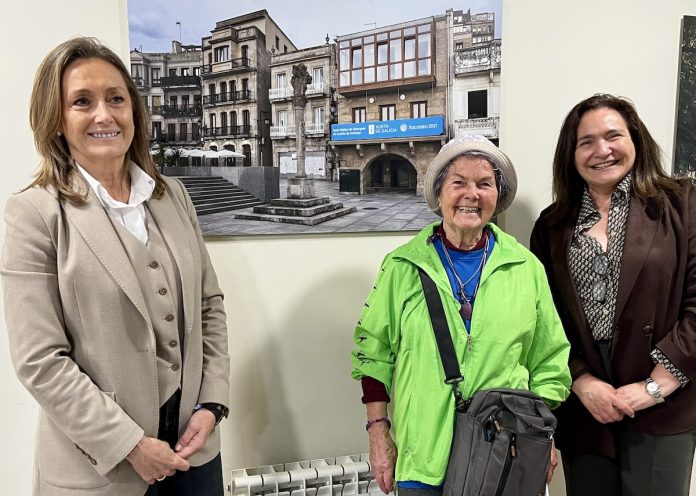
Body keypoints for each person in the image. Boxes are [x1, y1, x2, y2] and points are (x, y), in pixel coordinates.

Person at [1, 37, 230, 496]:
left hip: (195, 454)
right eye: (82, 102)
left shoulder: (173, 196)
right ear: (56, 118)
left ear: (134, 111)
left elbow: (210, 306)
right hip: (102, 470)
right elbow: (40, 360)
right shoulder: (34, 213)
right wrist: (129, 444)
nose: (104, 115)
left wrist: (212, 403)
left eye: (116, 99)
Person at [351, 135, 571, 495]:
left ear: (497, 195)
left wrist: (541, 434)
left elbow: (550, 360)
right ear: (439, 193)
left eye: (484, 184)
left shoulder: (525, 267)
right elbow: (373, 354)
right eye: (459, 182)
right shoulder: (403, 266)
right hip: (422, 455)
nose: (472, 194)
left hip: (505, 454)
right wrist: (378, 433)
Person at [530, 93, 696, 496]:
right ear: (570, 155)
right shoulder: (551, 225)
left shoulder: (683, 203)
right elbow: (545, 319)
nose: (601, 150)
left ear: (635, 139)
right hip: (586, 405)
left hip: (666, 398)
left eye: (613, 136)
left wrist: (655, 387)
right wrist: (580, 379)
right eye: (586, 142)